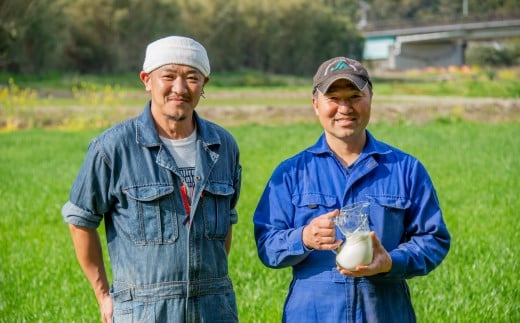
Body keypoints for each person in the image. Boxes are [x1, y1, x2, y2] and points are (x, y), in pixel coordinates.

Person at [253, 56, 450, 322]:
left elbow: (433, 239)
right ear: (315, 104)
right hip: (312, 314)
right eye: (333, 98)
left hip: (385, 314)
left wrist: (391, 262)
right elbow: (267, 244)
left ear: (371, 98)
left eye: (355, 96)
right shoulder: (290, 173)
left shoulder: (405, 169)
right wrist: (304, 237)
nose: (344, 108)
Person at [62, 35, 241, 322]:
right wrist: (104, 295)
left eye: (192, 78)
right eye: (168, 76)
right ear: (147, 80)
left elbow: (225, 226)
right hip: (144, 311)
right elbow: (81, 221)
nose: (179, 88)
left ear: (204, 84)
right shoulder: (112, 148)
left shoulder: (223, 146)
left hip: (214, 309)